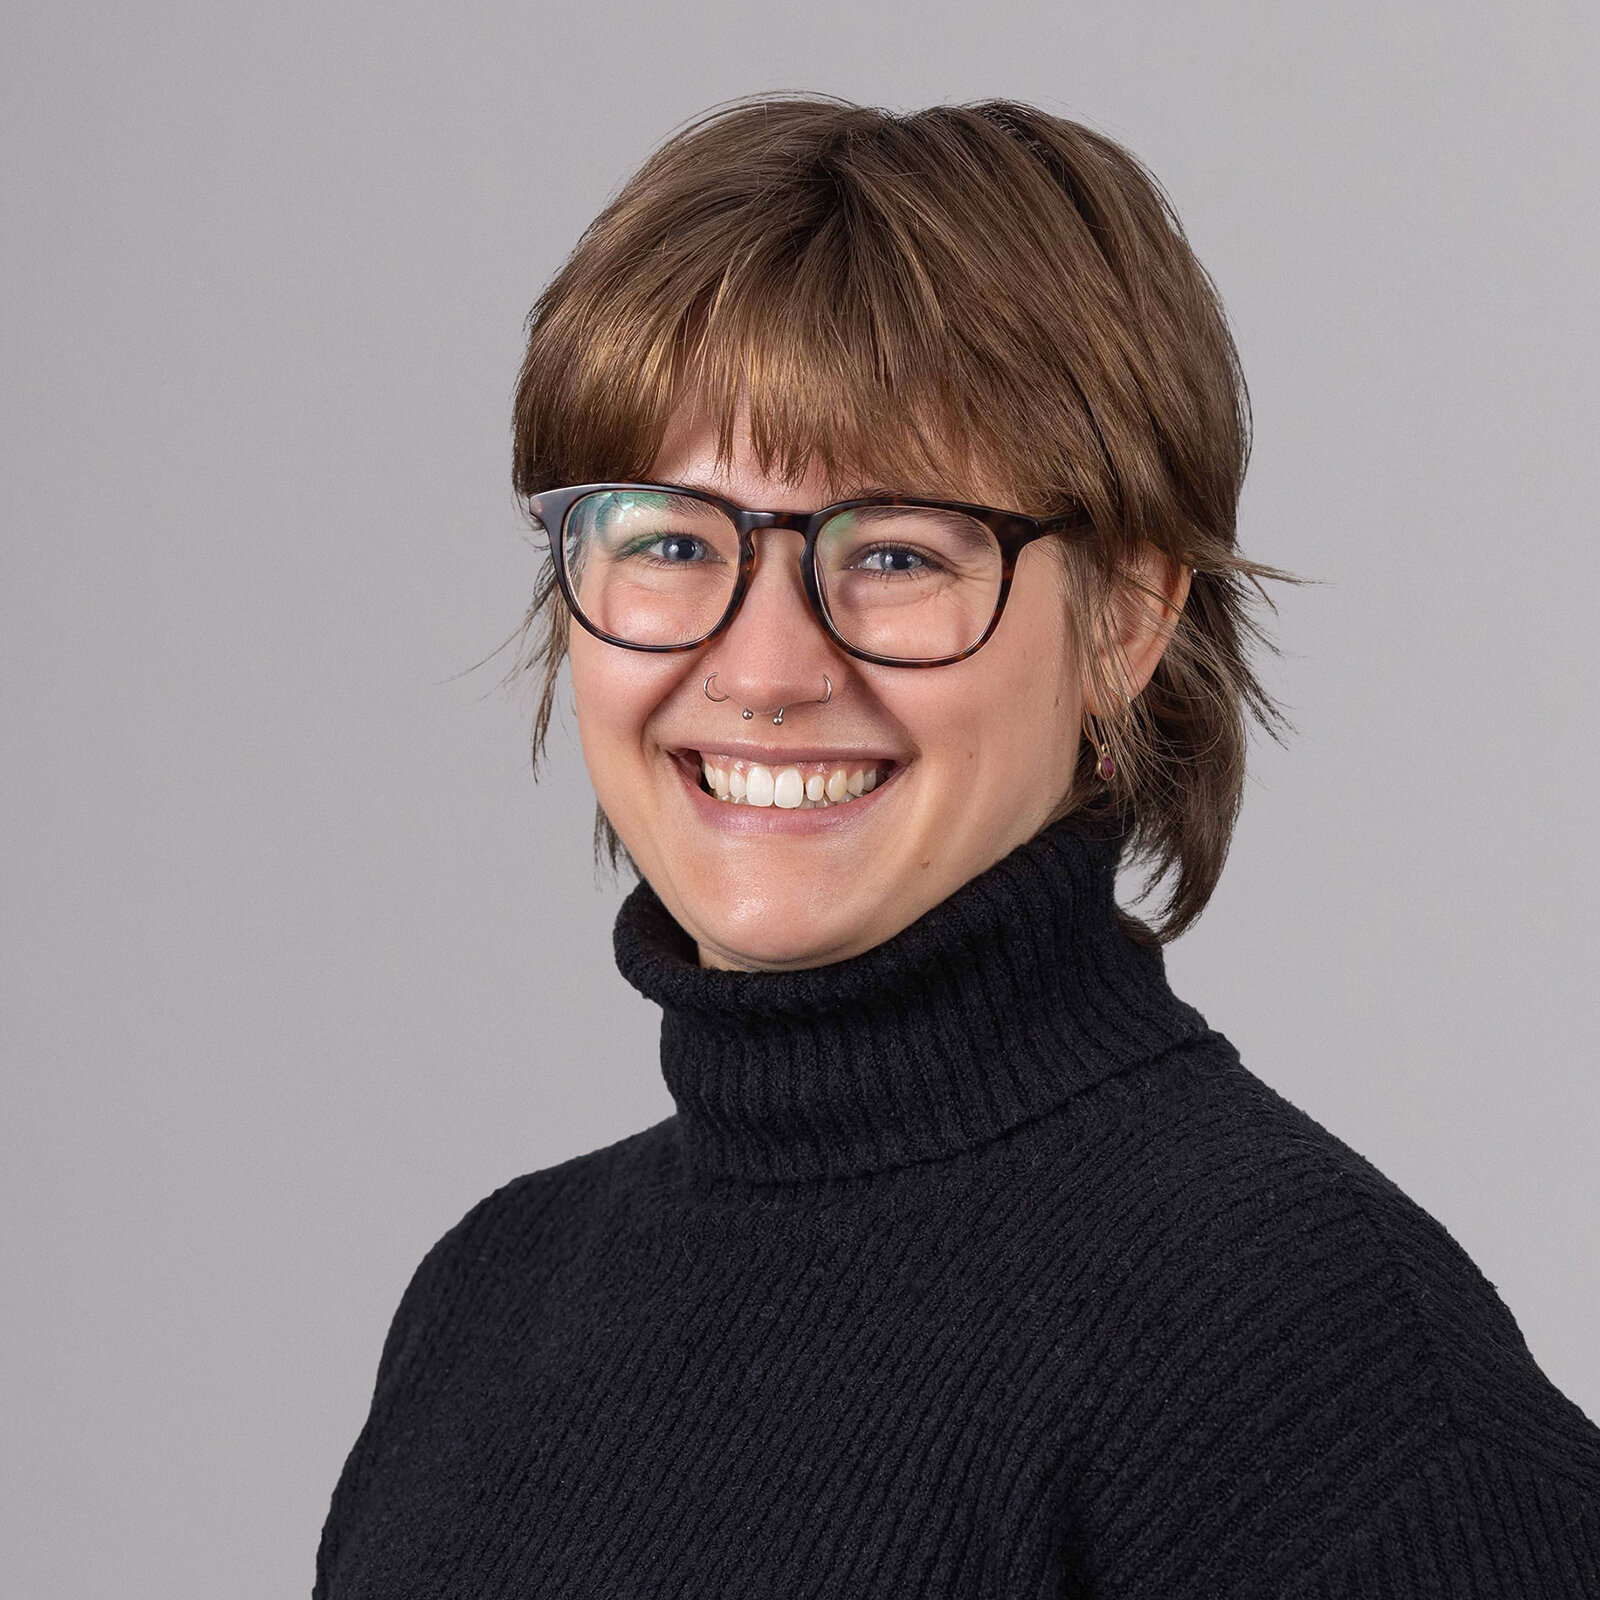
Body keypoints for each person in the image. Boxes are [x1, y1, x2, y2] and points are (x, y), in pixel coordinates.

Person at [313, 96, 1600, 1597]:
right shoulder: (487, 1302)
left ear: (1126, 619)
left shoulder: (1315, 1362)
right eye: (669, 540)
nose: (765, 668)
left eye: (897, 552)